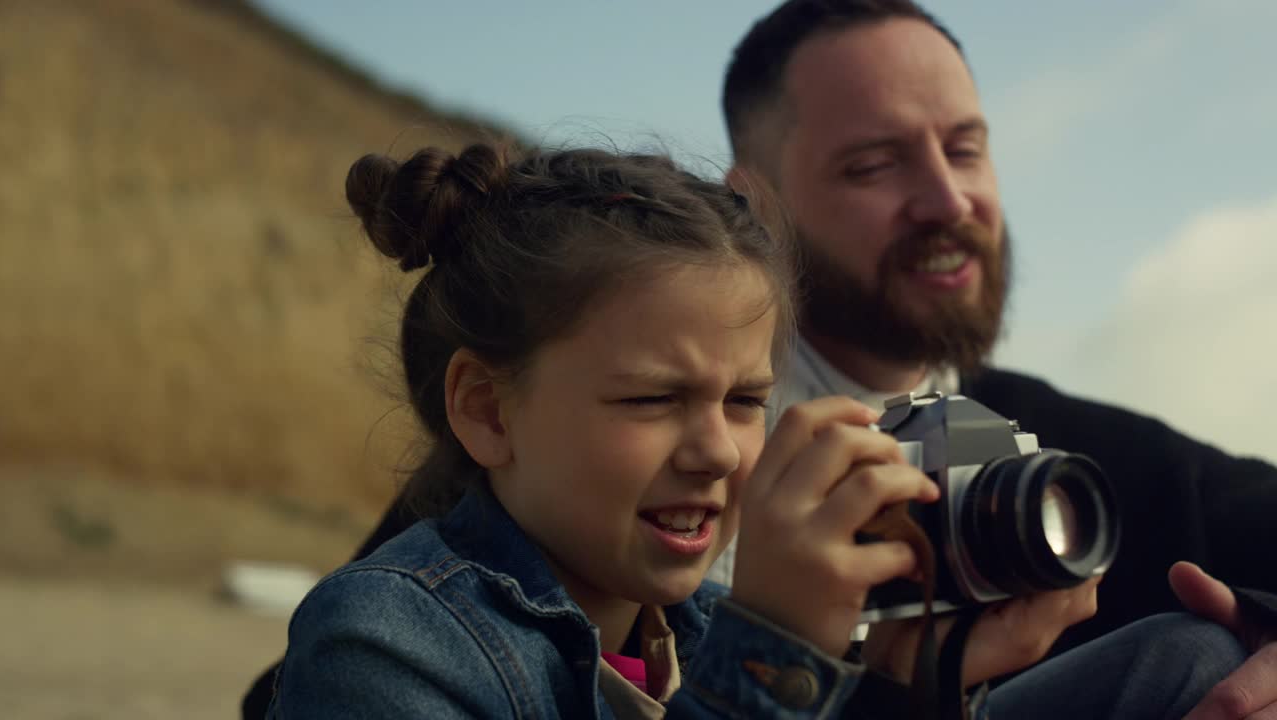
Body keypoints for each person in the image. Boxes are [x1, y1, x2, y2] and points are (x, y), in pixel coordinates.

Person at [261, 142, 1243, 719]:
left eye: (742, 402)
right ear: (485, 409)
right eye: (650, 401)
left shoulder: (685, 628)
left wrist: (912, 683)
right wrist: (772, 654)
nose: (718, 450)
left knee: (1187, 660)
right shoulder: (386, 645)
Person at [712, 0, 1277, 717]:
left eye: (965, 149)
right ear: (754, 201)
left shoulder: (1083, 460)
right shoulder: (675, 467)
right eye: (875, 165)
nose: (948, 200)